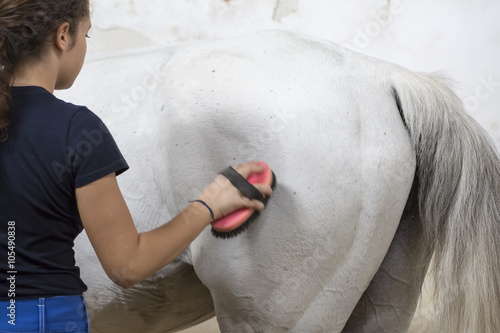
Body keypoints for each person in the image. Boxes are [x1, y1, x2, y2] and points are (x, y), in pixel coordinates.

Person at [0, 0, 273, 331]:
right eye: (87, 35)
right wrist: (209, 203)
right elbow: (126, 266)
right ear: (63, 36)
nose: (85, 45)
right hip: (46, 320)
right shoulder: (76, 129)